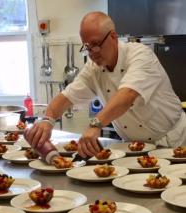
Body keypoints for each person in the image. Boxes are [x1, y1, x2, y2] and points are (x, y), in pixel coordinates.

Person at [25, 11, 186, 159]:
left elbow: (127, 95)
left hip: (176, 142)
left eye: (95, 44)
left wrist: (96, 124)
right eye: (87, 47)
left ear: (113, 36)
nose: (92, 52)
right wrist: (47, 120)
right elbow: (66, 97)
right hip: (135, 149)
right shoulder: (93, 68)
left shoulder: (140, 55)